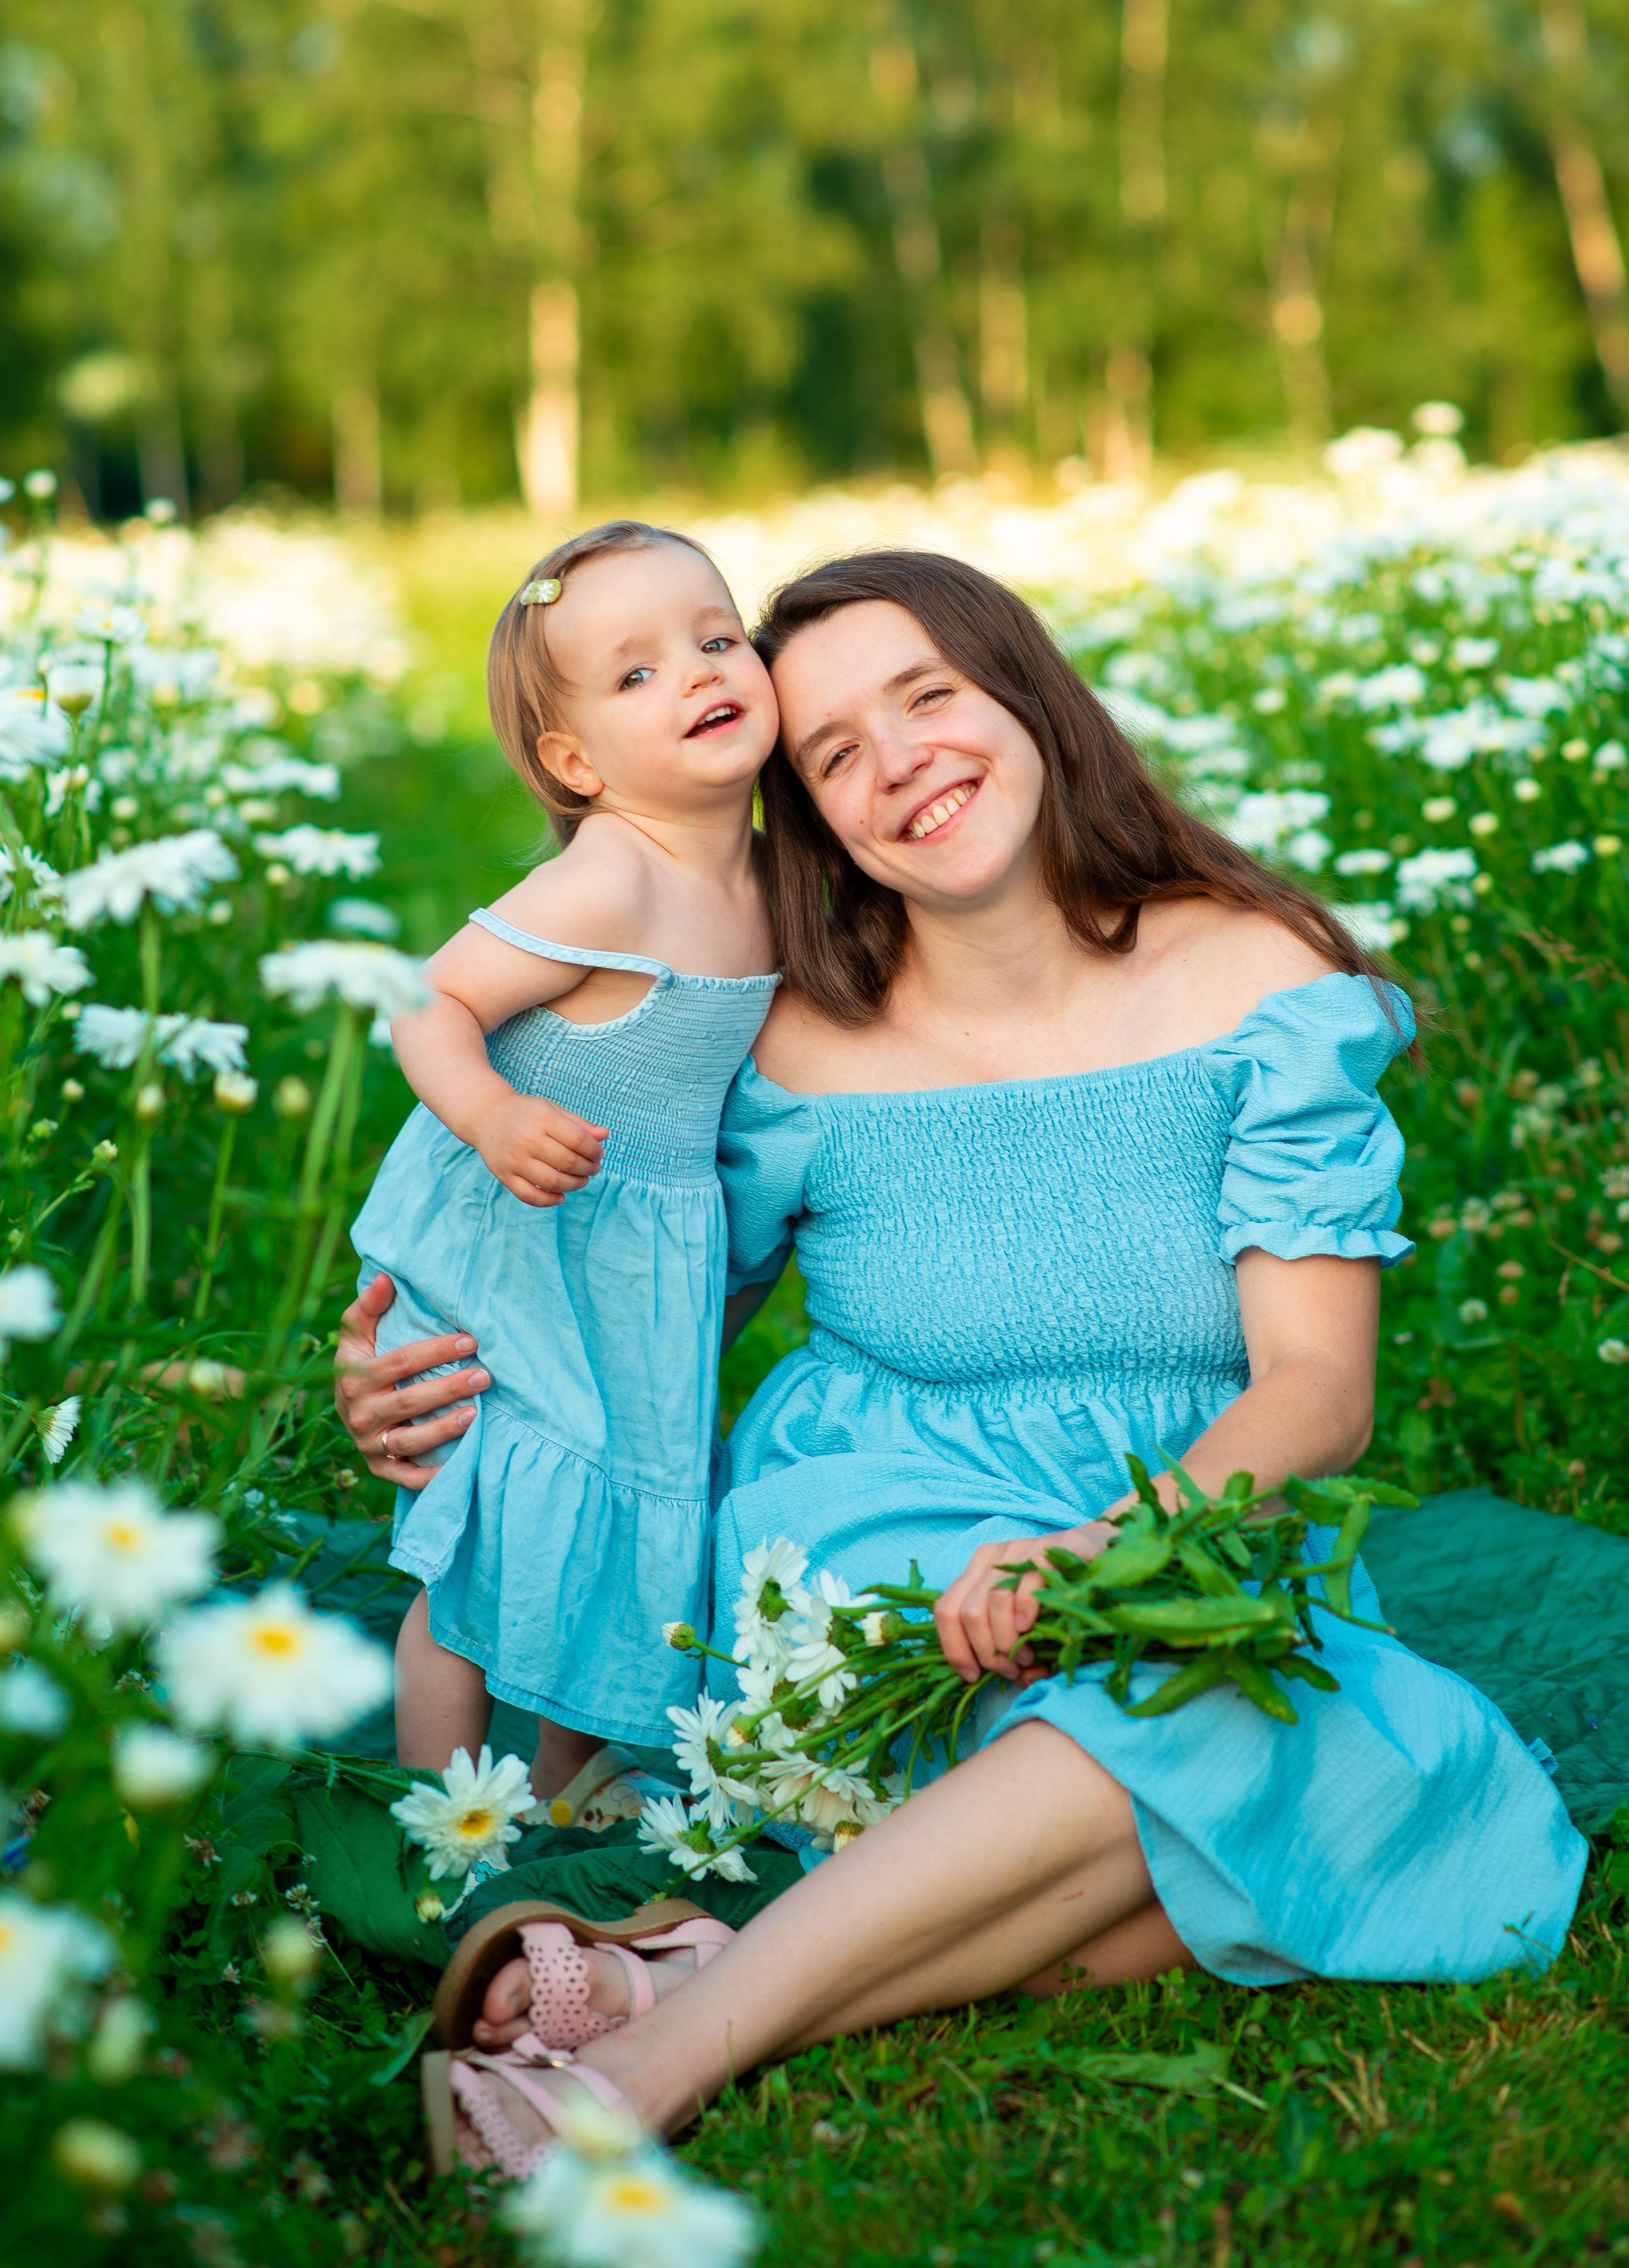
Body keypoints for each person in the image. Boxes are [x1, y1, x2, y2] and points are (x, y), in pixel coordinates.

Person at [337, 549, 1584, 2172]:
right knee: (1220, 1762)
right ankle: (642, 2087)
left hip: (1178, 1523)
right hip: (875, 1532)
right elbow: (634, 1326)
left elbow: (1312, 1395)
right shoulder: (792, 1037)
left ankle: (684, 1987)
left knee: (1281, 1734)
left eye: (927, 695)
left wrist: (1104, 1549)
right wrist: (437, 1390)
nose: (899, 761)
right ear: (808, 815)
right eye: (834, 752)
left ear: (1026, 696)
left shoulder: (1258, 985)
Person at [349, 520, 779, 1809]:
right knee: (488, 1533)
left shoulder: (768, 876)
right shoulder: (611, 879)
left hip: (635, 1259)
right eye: (636, 671)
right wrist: (487, 1113)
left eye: (716, 639)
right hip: (520, 1238)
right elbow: (426, 1001)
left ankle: (567, 1794)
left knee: (634, 1527)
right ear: (574, 760)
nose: (699, 674)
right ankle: (447, 1819)